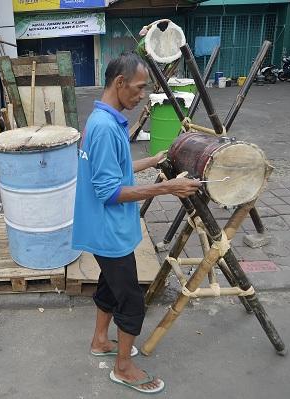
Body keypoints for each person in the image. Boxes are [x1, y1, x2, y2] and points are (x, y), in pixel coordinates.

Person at [72, 52, 201, 394]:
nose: (143, 95)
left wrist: (154, 160)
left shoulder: (104, 121)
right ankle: (123, 366)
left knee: (109, 286)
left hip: (104, 228)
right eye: (140, 87)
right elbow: (109, 191)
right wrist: (168, 187)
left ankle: (101, 341)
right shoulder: (103, 129)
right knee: (130, 299)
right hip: (108, 229)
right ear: (120, 83)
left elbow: (117, 171)